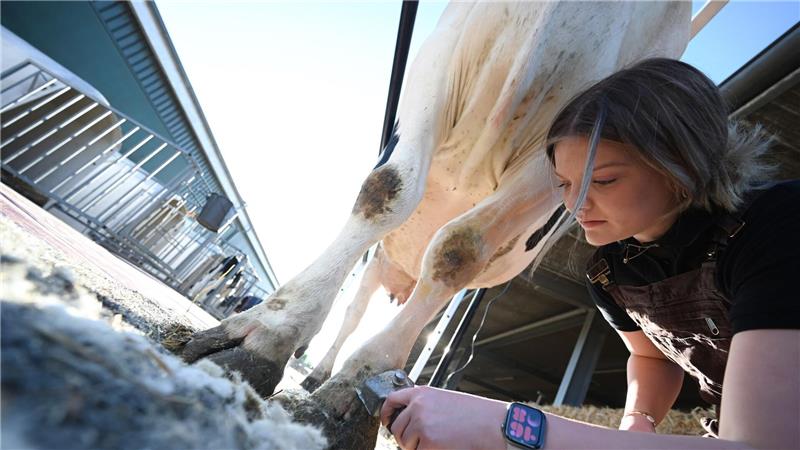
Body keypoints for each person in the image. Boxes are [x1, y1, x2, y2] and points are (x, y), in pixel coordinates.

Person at [379, 58, 799, 450]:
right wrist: (638, 420)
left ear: (682, 163)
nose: (576, 203)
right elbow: (650, 354)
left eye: (604, 180)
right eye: (565, 183)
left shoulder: (777, 226)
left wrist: (508, 427)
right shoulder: (610, 272)